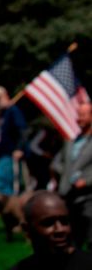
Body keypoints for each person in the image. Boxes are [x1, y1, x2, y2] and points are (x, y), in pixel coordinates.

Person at [52, 102, 92, 247]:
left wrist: (86, 181)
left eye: (83, 115)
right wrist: (65, 173)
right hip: (68, 197)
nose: (78, 118)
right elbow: (57, 162)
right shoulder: (70, 141)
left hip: (88, 199)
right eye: (78, 115)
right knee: (72, 241)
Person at [0, 86, 27, 194]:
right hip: (2, 153)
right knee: (3, 182)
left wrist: (19, 148)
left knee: (2, 182)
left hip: (10, 153)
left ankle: (8, 206)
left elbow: (22, 130)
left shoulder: (13, 111)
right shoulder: (1, 115)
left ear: (5, 95)